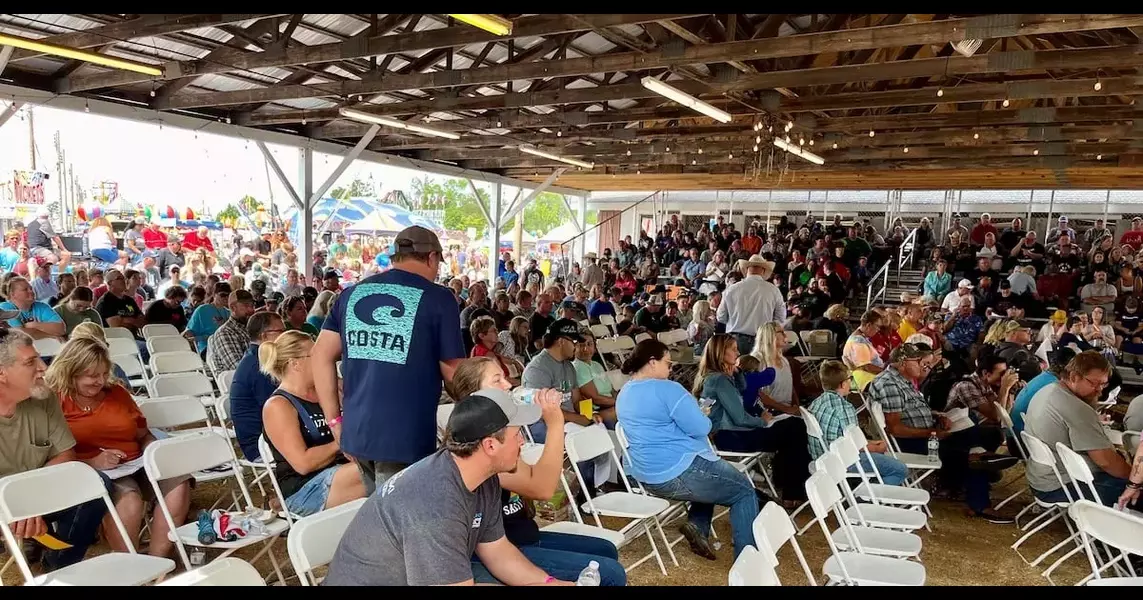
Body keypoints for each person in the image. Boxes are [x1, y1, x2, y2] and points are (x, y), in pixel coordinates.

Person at [323, 390, 575, 586]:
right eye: (517, 434)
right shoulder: (435, 502)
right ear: (489, 446)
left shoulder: (480, 476)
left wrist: (549, 582)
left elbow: (497, 551)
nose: (522, 441)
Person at [313, 226, 465, 496]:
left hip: (357, 430)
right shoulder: (439, 298)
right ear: (431, 257)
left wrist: (334, 421)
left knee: (377, 515)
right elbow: (453, 372)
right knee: (399, 524)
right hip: (405, 434)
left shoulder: (351, 294)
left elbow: (320, 356)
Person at [449, 358, 625, 586]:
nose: (508, 385)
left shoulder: (502, 431)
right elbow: (543, 489)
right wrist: (555, 424)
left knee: (606, 550)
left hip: (521, 533)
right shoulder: (482, 446)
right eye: (497, 380)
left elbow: (533, 482)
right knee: (611, 573)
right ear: (476, 395)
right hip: (501, 548)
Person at [46, 337, 191, 559]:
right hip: (89, 470)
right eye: (92, 376)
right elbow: (51, 456)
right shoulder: (55, 401)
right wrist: (93, 462)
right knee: (129, 500)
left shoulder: (117, 393)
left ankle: (157, 562)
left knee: (178, 483)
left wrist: (151, 448)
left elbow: (143, 433)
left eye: (104, 374)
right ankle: (132, 566)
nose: (100, 381)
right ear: (70, 371)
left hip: (134, 462)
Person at [617, 339, 760, 560]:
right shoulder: (669, 389)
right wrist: (698, 414)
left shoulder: (624, 392)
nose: (671, 368)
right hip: (679, 469)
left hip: (644, 473)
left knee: (714, 480)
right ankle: (749, 559)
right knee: (744, 491)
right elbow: (702, 427)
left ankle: (698, 526)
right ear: (652, 362)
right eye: (668, 363)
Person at [0, 329, 108, 570]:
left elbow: (66, 455)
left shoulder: (43, 396)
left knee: (96, 482)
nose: (43, 368)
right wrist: (13, 506)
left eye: (39, 358)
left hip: (38, 495)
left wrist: (28, 501)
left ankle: (60, 567)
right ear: (1, 373)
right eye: (30, 362)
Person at [695, 333, 809, 507]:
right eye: (733, 349)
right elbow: (740, 418)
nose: (738, 352)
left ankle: (788, 487)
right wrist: (763, 421)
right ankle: (793, 489)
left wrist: (738, 371)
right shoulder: (720, 380)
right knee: (795, 427)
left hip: (726, 434)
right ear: (720, 353)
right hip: (732, 436)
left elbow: (742, 389)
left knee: (792, 429)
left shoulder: (713, 377)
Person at [259, 331, 366, 516]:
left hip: (340, 472)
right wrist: (340, 442)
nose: (323, 360)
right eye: (315, 355)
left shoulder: (327, 391)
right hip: (305, 488)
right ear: (295, 363)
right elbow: (303, 463)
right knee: (379, 469)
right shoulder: (278, 406)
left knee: (386, 464)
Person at [1023, 351, 1134, 507]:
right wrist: (1134, 481)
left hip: (1042, 479)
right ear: (1074, 377)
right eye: (1094, 383)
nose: (1100, 390)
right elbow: (1105, 461)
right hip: (1063, 486)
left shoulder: (1048, 391)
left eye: (1103, 384)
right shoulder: (1077, 408)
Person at [808, 360, 909, 485]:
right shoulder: (844, 408)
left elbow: (843, 438)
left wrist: (872, 443)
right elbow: (854, 445)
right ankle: (868, 499)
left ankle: (868, 491)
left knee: (884, 459)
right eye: (850, 378)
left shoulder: (816, 403)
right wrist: (876, 448)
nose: (851, 381)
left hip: (822, 458)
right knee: (900, 469)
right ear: (843, 384)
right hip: (843, 460)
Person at [521, 318, 595, 439]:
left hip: (571, 425)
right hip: (549, 427)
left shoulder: (568, 365)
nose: (576, 346)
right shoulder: (537, 370)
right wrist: (580, 419)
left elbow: (576, 400)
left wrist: (590, 415)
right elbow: (542, 411)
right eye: (574, 341)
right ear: (561, 341)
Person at [230, 311, 287, 461]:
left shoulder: (258, 358)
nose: (285, 335)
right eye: (280, 331)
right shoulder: (258, 365)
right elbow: (279, 406)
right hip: (261, 445)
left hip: (270, 436)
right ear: (264, 336)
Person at [717, 255, 785, 354]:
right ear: (763, 270)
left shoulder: (731, 289)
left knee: (735, 367)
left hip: (735, 340)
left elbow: (721, 317)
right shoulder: (773, 290)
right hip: (762, 340)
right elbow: (780, 318)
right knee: (761, 368)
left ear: (747, 269)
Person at [206, 289, 256, 375]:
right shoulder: (225, 333)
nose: (251, 310)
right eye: (246, 306)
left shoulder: (252, 328)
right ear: (233, 308)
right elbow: (238, 367)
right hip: (242, 383)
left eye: (252, 305)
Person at [1, 276, 65, 340]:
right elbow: (21, 335)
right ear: (13, 294)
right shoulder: (5, 307)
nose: (31, 291)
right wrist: (51, 336)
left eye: (31, 288)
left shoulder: (41, 306)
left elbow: (61, 329)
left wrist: (33, 325)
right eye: (25, 289)